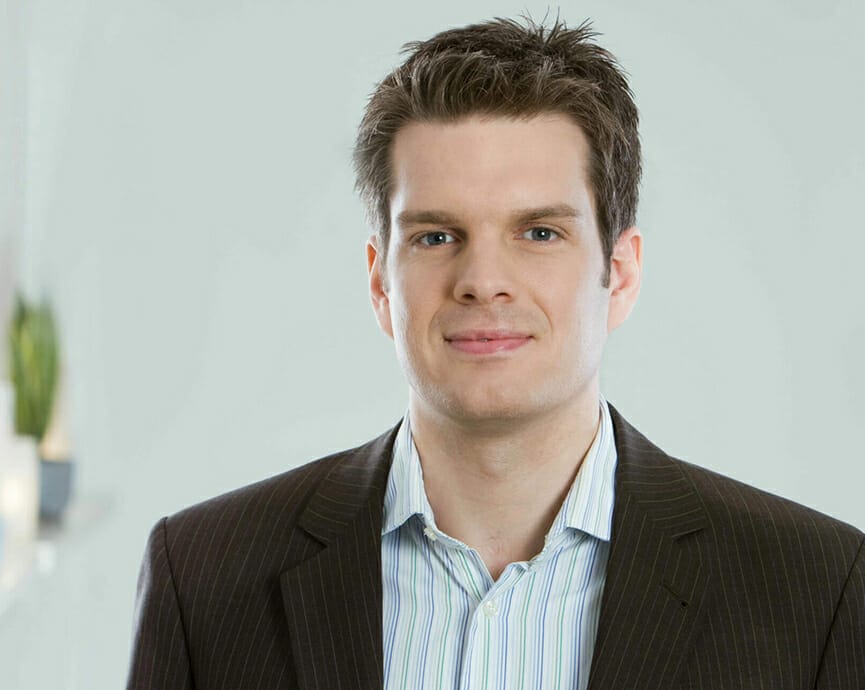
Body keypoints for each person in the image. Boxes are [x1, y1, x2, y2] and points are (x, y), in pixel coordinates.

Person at [126, 17, 864, 690]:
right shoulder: (204, 576)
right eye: (435, 236)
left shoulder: (815, 590)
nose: (481, 281)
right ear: (380, 280)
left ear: (622, 273)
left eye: (538, 233)